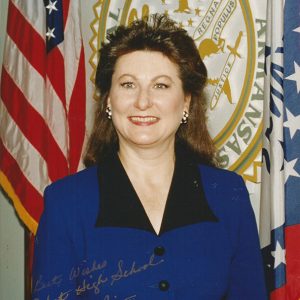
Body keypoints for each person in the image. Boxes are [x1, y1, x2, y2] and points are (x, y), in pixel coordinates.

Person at [32, 14, 267, 300]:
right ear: (108, 100)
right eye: (128, 84)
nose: (143, 102)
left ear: (186, 102)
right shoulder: (66, 203)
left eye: (161, 85)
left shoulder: (229, 195)